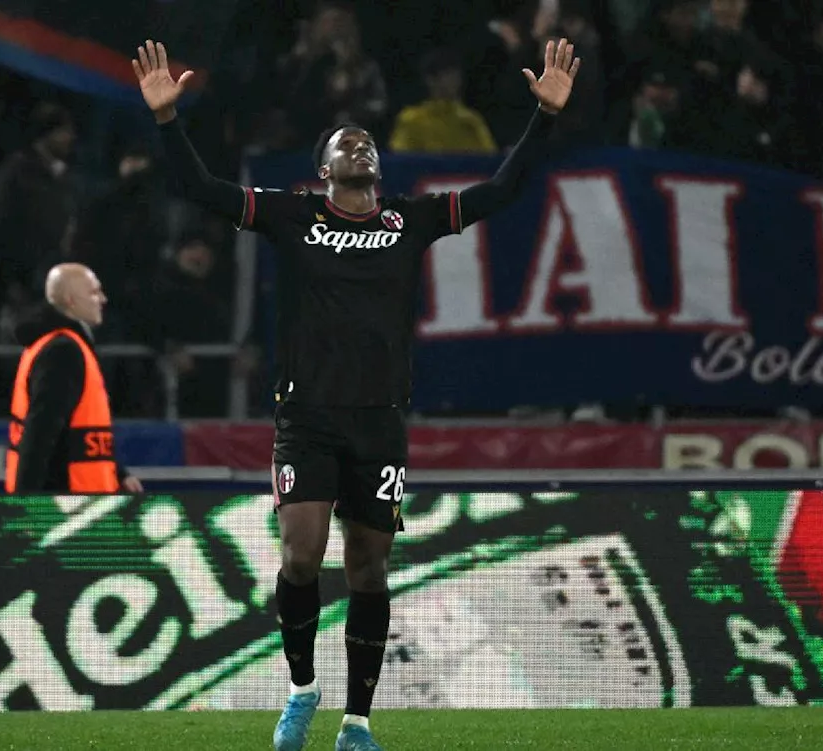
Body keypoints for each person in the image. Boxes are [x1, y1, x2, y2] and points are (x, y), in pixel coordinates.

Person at [132, 37, 579, 751]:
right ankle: (302, 688)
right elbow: (200, 191)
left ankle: (359, 721)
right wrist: (166, 122)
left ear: (376, 166)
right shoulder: (291, 215)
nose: (358, 145)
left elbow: (501, 192)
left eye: (366, 140)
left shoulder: (412, 219)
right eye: (345, 141)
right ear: (324, 168)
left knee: (368, 564)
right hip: (305, 417)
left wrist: (545, 119)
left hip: (379, 421)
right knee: (300, 556)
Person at [5, 263, 144, 494]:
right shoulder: (63, 350)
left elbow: (74, 434)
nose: (103, 298)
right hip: (67, 505)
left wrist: (118, 472)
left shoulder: (55, 344)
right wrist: (25, 509)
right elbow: (40, 433)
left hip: (75, 499)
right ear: (70, 300)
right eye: (93, 292)